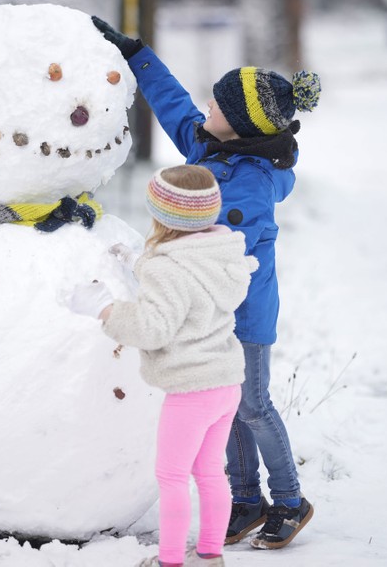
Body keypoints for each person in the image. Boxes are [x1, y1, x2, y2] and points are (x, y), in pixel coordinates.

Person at [91, 16, 320, 550]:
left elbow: (225, 257)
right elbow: (174, 105)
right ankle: (244, 500)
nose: (206, 110)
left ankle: (289, 500)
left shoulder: (252, 184)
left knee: (252, 404)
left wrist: (157, 268)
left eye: (217, 106)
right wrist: (136, 54)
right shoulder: (212, 149)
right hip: (211, 314)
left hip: (243, 314)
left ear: (238, 126)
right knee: (225, 403)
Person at [69, 165, 258, 567]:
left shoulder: (166, 268)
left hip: (191, 389)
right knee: (209, 473)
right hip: (226, 383)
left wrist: (104, 309)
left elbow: (153, 327)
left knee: (172, 477)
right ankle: (209, 555)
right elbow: (187, 286)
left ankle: (170, 561)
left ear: (163, 215)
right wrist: (140, 263)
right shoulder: (220, 253)